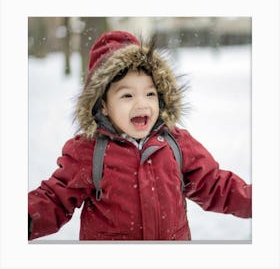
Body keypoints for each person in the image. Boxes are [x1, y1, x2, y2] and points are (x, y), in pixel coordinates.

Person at [28, 30, 252, 241]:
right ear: (103, 105)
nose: (141, 103)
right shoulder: (89, 152)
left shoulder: (177, 144)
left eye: (150, 93)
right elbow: (55, 198)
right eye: (127, 95)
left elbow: (214, 184)